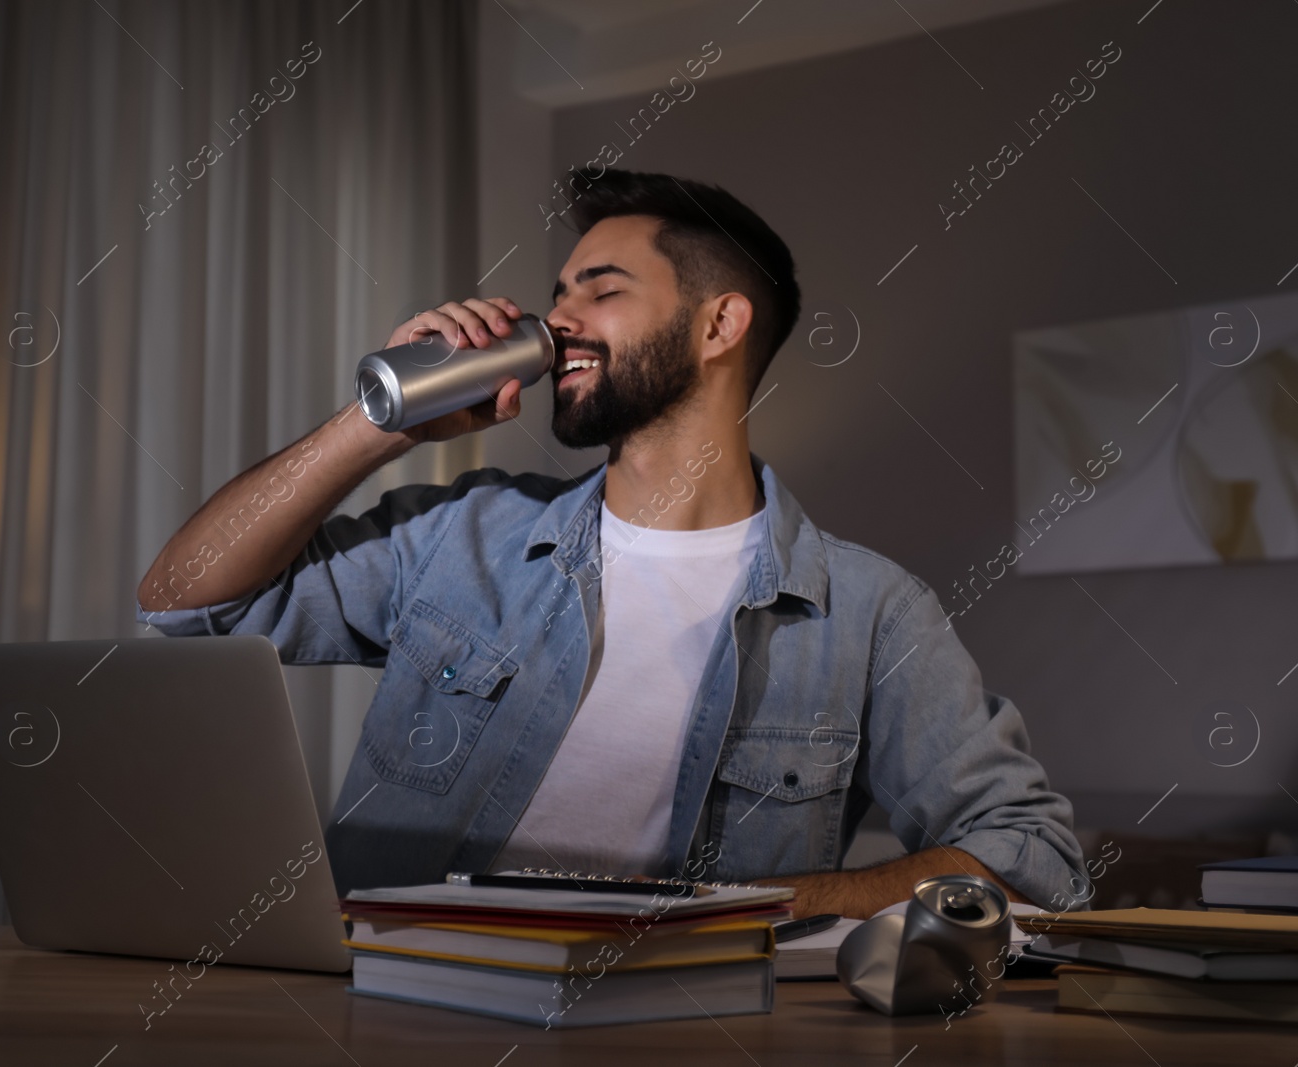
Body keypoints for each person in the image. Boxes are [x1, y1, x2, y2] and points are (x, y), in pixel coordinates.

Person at [137, 170, 1085, 918]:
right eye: (559, 291)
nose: (557, 320)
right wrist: (382, 420)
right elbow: (185, 601)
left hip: (667, 1026)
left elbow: (1031, 858)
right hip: (391, 1010)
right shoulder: (465, 533)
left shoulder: (872, 612)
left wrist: (751, 911)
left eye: (602, 288)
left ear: (721, 323)